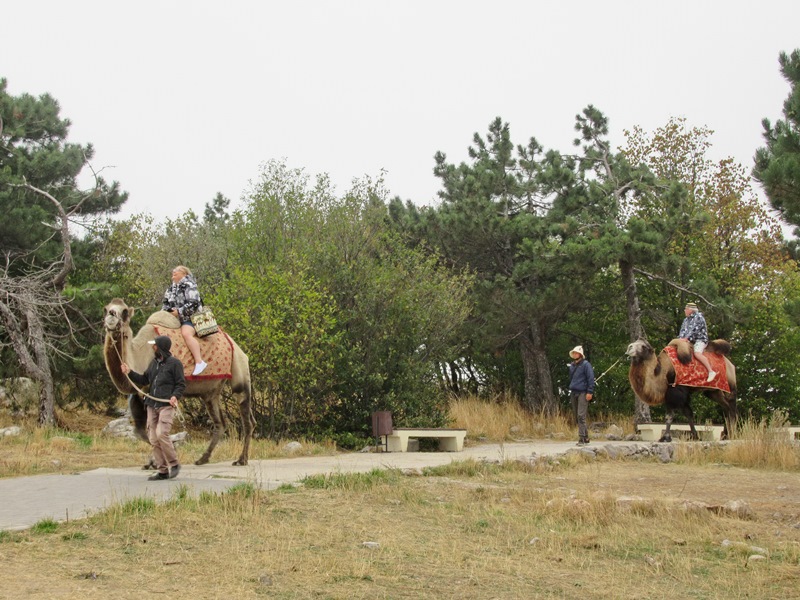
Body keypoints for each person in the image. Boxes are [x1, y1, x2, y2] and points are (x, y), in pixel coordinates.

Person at [121, 336, 185, 481]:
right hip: (152, 405)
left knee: (162, 433)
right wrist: (129, 372)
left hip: (166, 405)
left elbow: (181, 384)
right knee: (153, 438)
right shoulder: (153, 364)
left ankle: (174, 464)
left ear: (161, 347)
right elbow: (144, 379)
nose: (153, 348)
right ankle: (162, 471)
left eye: (155, 346)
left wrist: (175, 396)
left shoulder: (175, 364)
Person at [162, 265, 207, 376]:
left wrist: (179, 312)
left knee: (186, 334)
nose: (174, 271)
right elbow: (165, 304)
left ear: (185, 274)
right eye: (173, 270)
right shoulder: (171, 289)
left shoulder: (190, 285)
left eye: (177, 270)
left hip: (192, 318)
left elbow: (194, 303)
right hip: (175, 319)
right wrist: (164, 313)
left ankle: (199, 361)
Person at [678, 302, 715, 382]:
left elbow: (694, 330)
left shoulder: (699, 317)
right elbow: (682, 331)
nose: (684, 310)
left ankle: (711, 371)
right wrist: (680, 339)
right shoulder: (686, 320)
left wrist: (687, 339)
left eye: (686, 309)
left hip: (700, 340)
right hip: (689, 340)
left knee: (697, 353)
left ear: (691, 310)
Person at [568, 345, 595, 446]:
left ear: (580, 354)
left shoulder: (586, 365)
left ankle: (582, 438)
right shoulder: (572, 366)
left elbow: (590, 378)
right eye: (573, 353)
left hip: (583, 392)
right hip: (574, 392)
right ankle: (586, 437)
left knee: (581, 415)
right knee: (577, 416)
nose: (574, 354)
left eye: (576, 353)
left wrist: (590, 392)